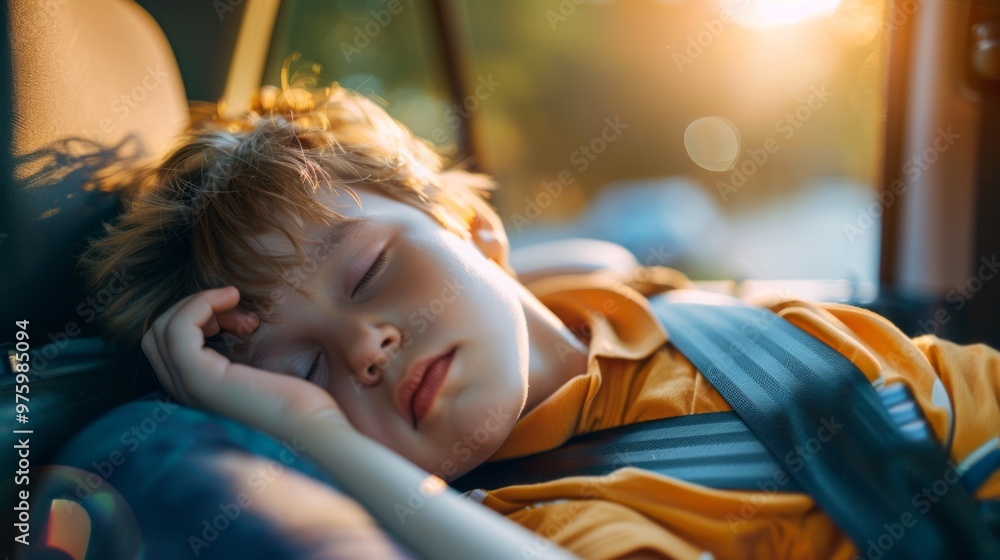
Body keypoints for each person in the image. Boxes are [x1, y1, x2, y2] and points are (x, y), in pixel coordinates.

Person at [80, 83, 1000, 560]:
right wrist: (314, 432)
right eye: (306, 373)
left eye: (368, 272)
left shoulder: (658, 313)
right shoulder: (537, 520)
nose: (364, 348)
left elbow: (575, 269)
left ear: (478, 230)